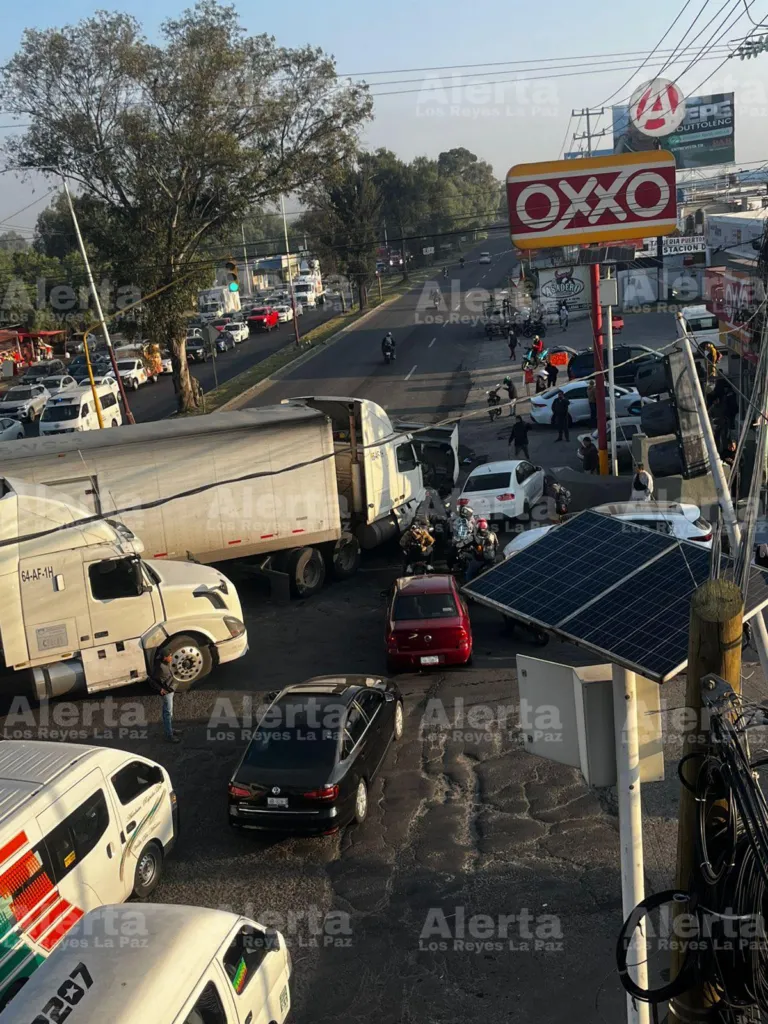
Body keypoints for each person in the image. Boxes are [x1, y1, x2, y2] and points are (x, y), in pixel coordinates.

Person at [148, 651, 181, 743]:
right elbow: (151, 679)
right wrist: (160, 689)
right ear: (164, 657)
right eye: (169, 656)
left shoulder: (165, 663)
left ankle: (170, 730)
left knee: (169, 713)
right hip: (166, 693)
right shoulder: (160, 667)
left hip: (170, 689)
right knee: (167, 713)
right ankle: (169, 735)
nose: (171, 657)